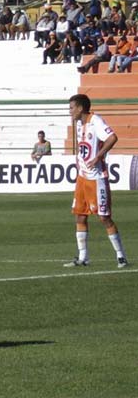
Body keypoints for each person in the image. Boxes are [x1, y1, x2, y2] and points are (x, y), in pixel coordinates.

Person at [65, 94, 129, 269]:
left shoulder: (96, 121)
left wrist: (99, 157)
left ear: (80, 108)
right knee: (80, 215)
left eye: (71, 108)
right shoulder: (80, 124)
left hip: (96, 178)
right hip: (82, 177)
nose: (70, 111)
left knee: (104, 217)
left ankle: (121, 256)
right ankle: (83, 257)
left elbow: (112, 137)